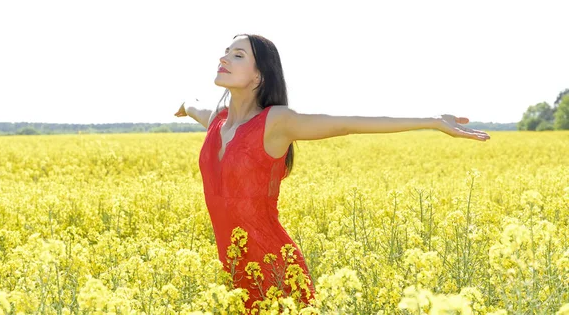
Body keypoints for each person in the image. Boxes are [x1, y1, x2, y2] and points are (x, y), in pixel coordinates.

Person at [175, 34, 490, 309]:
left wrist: (431, 121)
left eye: (237, 55)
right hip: (232, 268)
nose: (224, 58)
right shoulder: (217, 120)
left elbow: (347, 122)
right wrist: (184, 105)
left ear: (259, 76)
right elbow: (192, 104)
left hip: (272, 268)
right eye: (226, 51)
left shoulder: (276, 121)